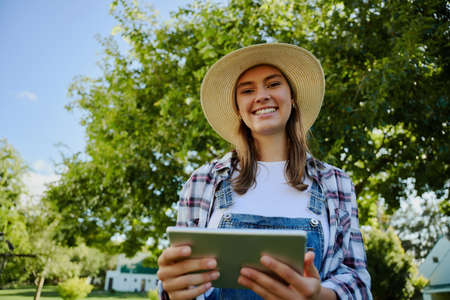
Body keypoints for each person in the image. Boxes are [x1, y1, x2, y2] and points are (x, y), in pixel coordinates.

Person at [157, 43, 372, 300]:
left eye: (273, 84)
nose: (261, 96)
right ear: (238, 108)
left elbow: (358, 281)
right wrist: (171, 290)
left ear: (292, 98)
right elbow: (179, 282)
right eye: (247, 90)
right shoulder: (204, 181)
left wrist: (321, 296)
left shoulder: (336, 182)